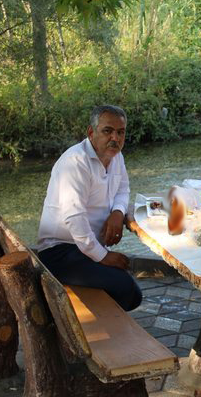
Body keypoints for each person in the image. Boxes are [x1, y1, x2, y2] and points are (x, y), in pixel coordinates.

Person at [36, 105, 142, 311]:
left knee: (127, 289)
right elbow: (74, 218)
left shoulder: (116, 157)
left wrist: (117, 213)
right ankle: (82, 324)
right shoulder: (75, 162)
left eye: (120, 132)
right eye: (107, 131)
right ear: (91, 132)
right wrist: (103, 256)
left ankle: (101, 321)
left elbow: (123, 189)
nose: (115, 138)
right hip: (60, 251)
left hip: (86, 246)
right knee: (127, 290)